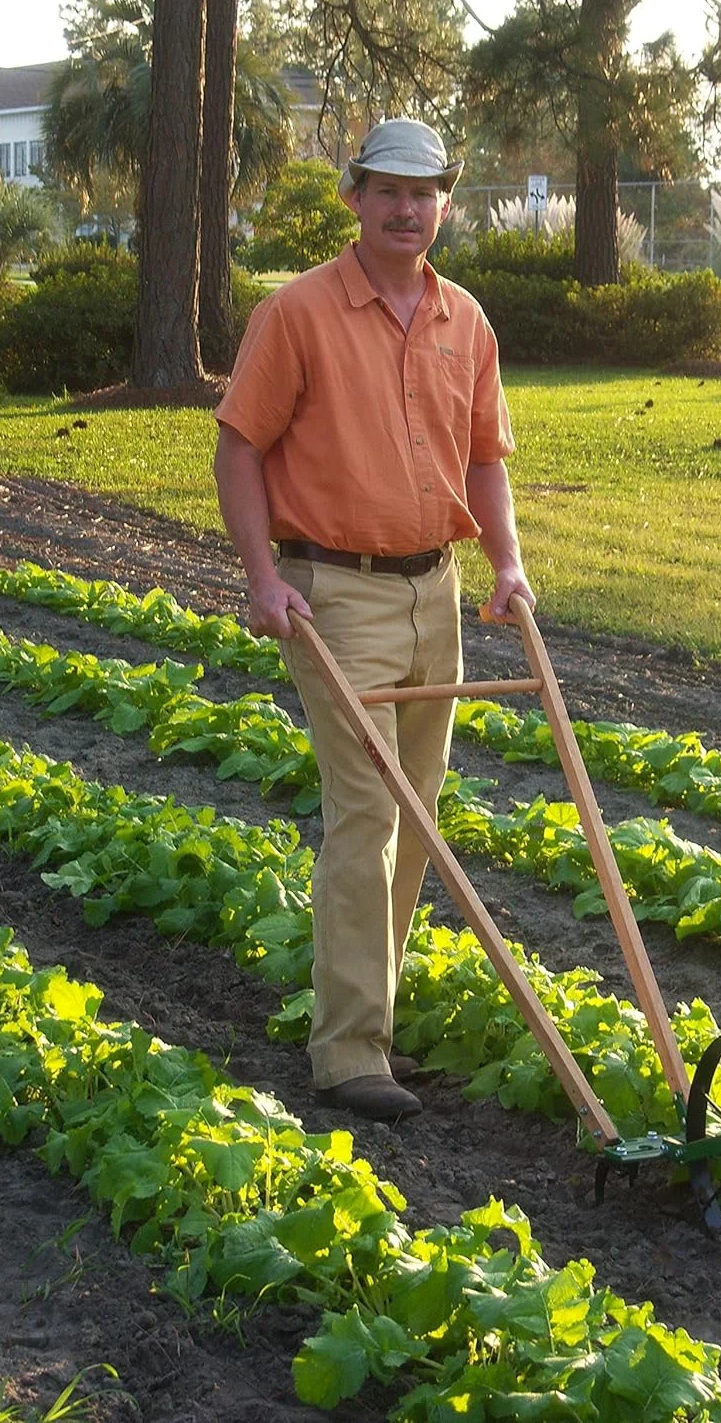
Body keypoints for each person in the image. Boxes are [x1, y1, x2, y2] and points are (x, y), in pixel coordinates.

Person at [213, 117, 534, 1121]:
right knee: (368, 812)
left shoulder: (465, 321)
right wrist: (264, 580)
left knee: (418, 814)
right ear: (353, 196)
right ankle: (348, 1050)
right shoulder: (297, 314)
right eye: (388, 190)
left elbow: (485, 458)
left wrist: (508, 563)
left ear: (446, 200)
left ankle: (373, 1016)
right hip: (334, 590)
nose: (407, 209)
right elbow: (238, 450)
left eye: (425, 191)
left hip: (433, 587)